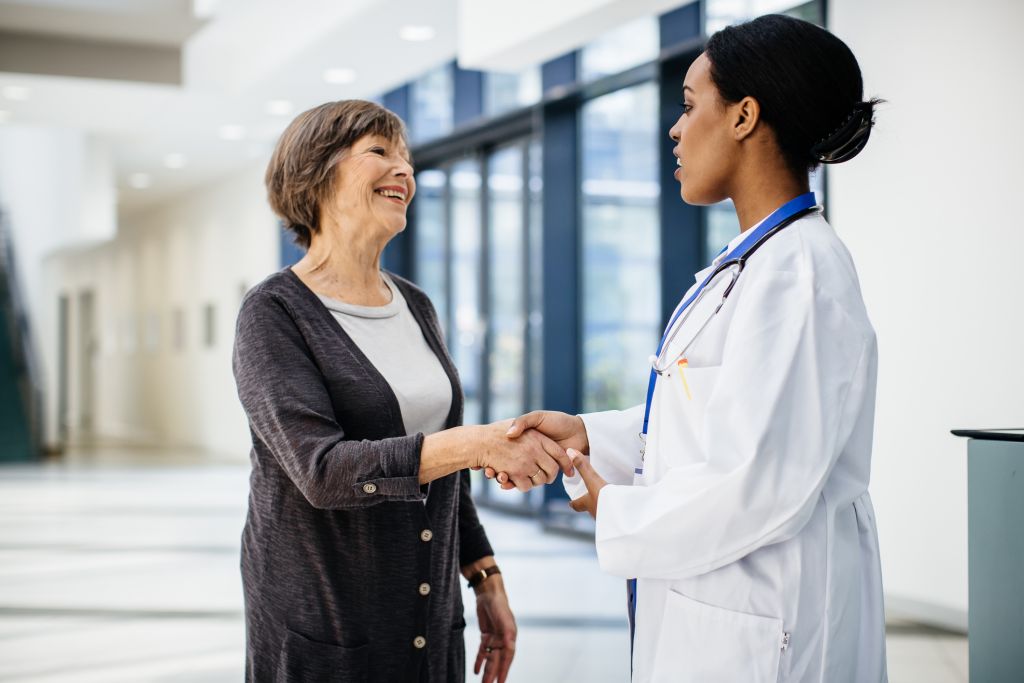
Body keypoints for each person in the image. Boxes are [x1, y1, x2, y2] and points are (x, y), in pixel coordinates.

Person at [501, 14, 886, 682]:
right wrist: (591, 435)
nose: (674, 129)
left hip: (767, 628)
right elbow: (707, 416)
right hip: (722, 609)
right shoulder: (752, 267)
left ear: (744, 116)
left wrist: (613, 507)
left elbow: (755, 481)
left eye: (688, 105)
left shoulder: (798, 273)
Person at [232, 99, 572, 683]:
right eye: (380, 153)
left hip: (428, 615)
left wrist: (484, 574)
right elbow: (322, 471)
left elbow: (443, 464)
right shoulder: (274, 313)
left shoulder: (415, 304)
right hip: (328, 622)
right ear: (317, 173)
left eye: (408, 159)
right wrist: (476, 445)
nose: (405, 171)